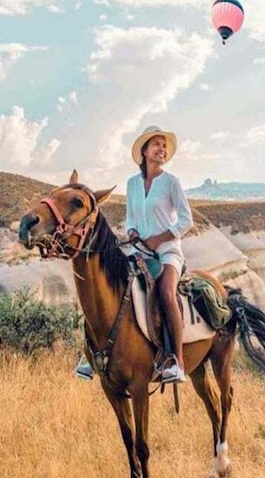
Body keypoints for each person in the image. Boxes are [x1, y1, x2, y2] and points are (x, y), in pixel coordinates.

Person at [75, 125, 193, 384]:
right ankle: (91, 354)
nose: (161, 149)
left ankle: (177, 362)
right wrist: (132, 230)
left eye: (164, 145)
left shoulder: (171, 182)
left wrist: (159, 238)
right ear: (144, 151)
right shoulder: (132, 184)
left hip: (168, 252)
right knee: (107, 286)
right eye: (156, 144)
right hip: (138, 248)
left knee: (165, 292)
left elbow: (186, 220)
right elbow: (131, 217)